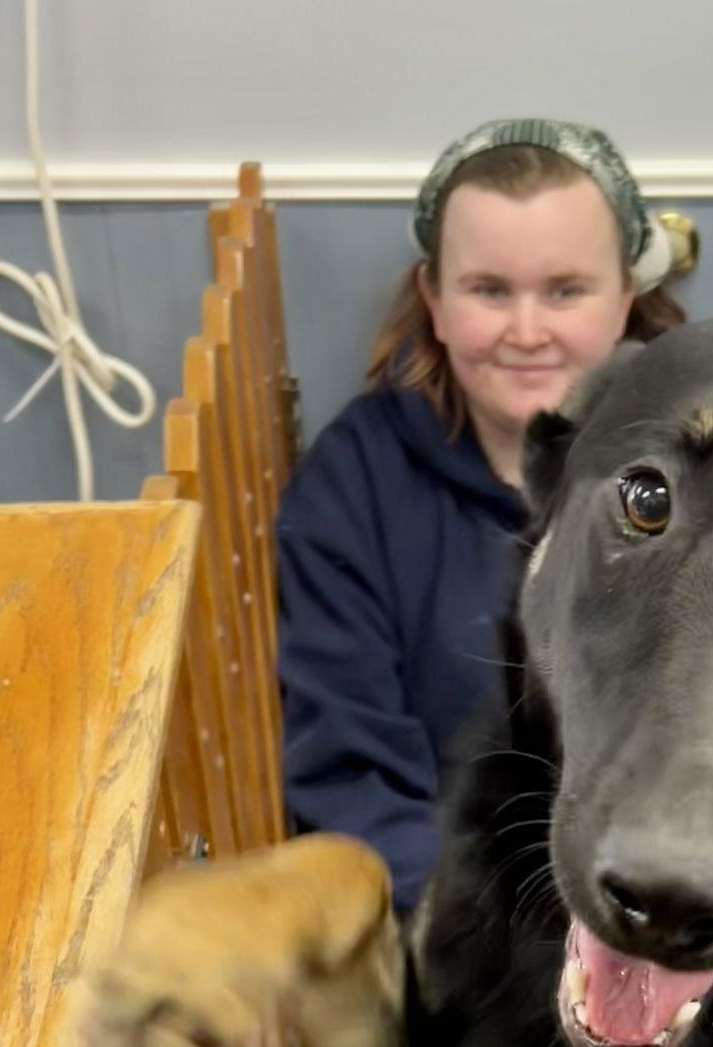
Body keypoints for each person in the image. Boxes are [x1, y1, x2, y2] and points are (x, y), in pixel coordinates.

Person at [277, 120, 692, 915]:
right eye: (489, 290)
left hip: (669, 911)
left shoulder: (709, 470)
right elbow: (349, 779)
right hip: (461, 935)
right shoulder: (351, 489)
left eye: (566, 290)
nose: (527, 332)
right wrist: (502, 948)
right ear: (434, 299)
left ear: (625, 299)